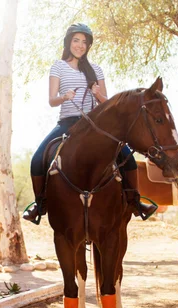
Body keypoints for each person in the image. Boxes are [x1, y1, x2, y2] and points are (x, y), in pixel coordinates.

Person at [22, 23, 157, 224]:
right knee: (38, 158)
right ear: (68, 43)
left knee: (127, 158)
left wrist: (98, 94)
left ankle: (135, 202)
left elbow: (108, 103)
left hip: (95, 125)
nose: (80, 45)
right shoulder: (58, 67)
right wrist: (64, 97)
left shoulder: (95, 70)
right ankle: (40, 205)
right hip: (68, 123)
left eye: (84, 42)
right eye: (76, 40)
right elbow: (51, 100)